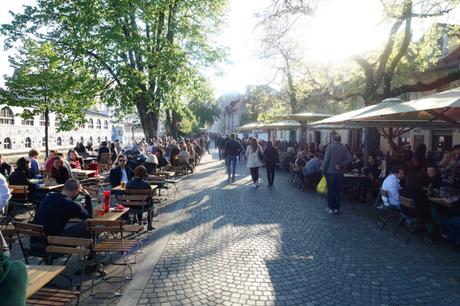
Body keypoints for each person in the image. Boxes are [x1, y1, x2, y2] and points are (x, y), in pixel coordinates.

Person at [322, 134, 352, 214]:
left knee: (331, 190)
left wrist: (323, 171)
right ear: (340, 140)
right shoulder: (344, 148)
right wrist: (341, 164)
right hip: (339, 173)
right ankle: (336, 208)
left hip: (330, 172)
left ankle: (330, 208)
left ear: (333, 139)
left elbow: (326, 161)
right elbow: (350, 159)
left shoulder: (329, 147)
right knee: (338, 191)